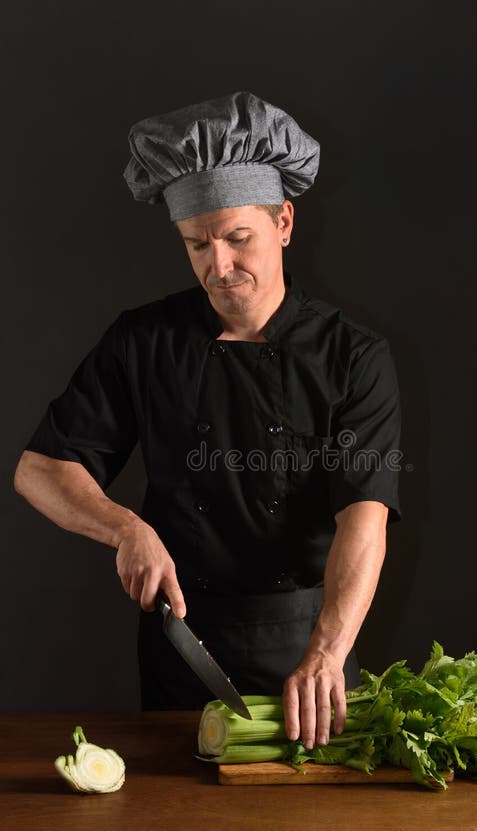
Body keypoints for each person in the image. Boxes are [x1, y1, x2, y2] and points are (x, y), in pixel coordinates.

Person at [13, 92, 402, 751]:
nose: (218, 266)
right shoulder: (143, 341)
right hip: (183, 646)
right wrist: (125, 529)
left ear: (284, 222)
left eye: (236, 238)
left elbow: (364, 516)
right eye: (197, 244)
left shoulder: (353, 357)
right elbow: (40, 469)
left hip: (311, 651)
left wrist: (330, 651)